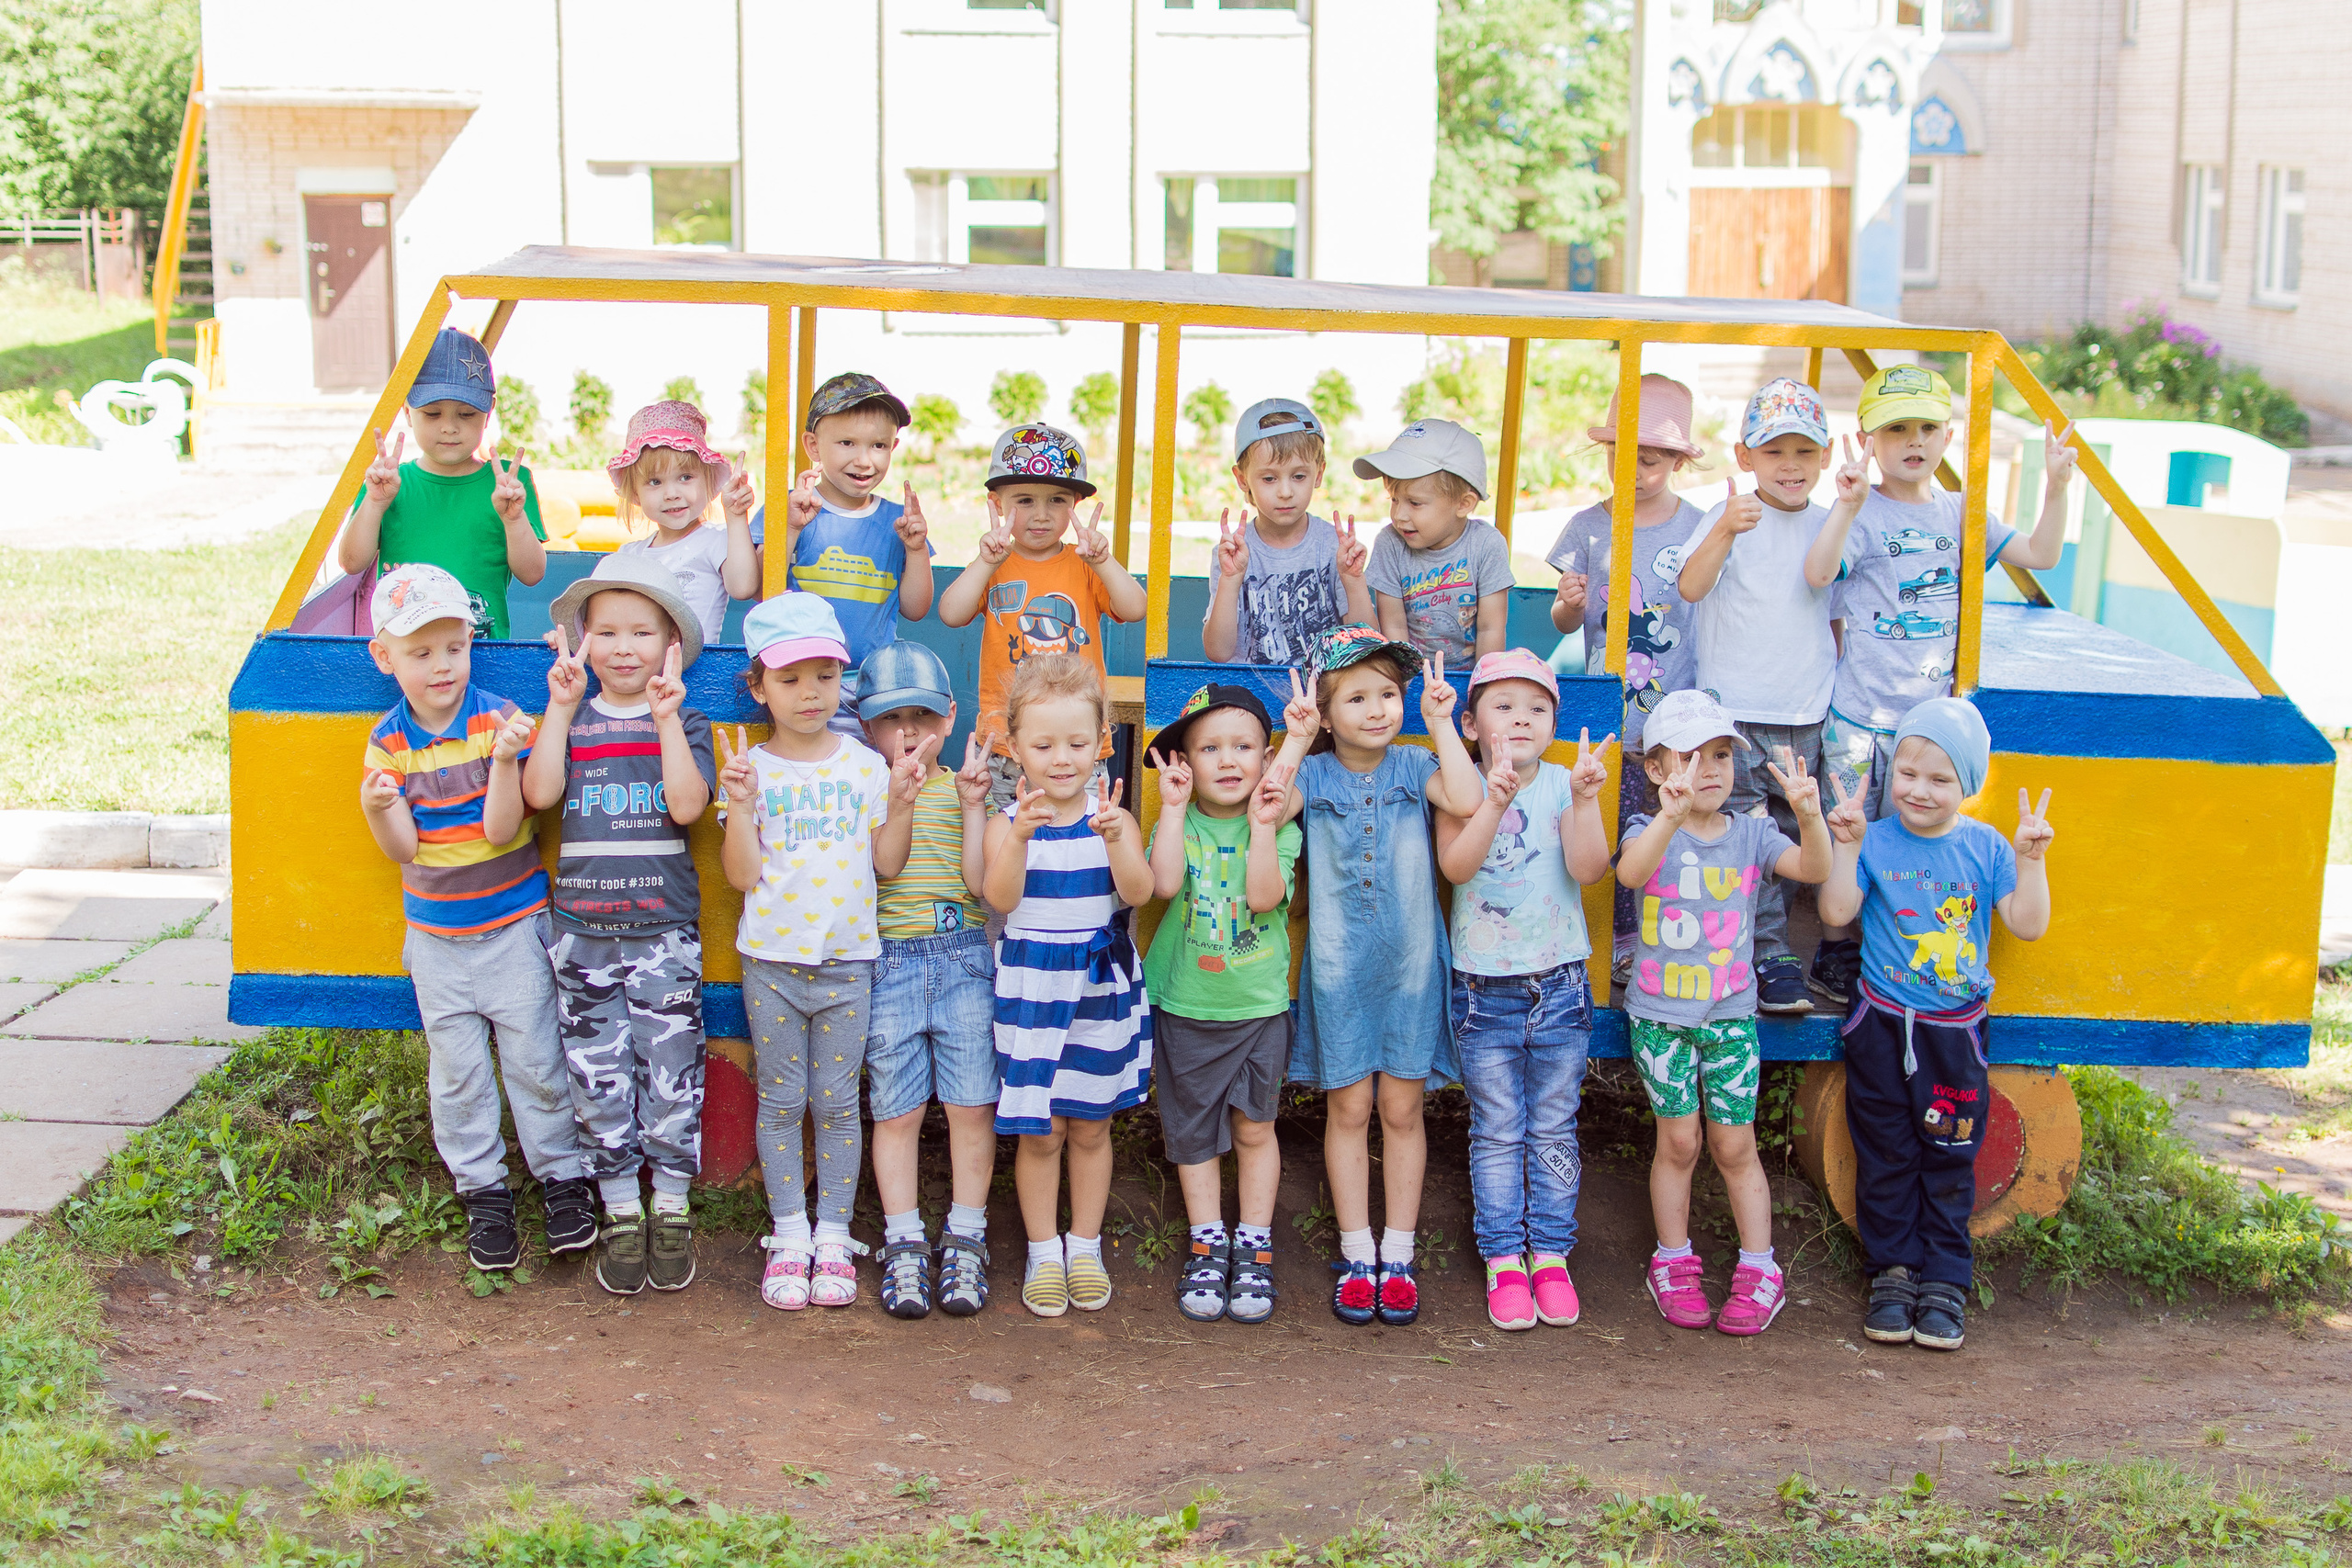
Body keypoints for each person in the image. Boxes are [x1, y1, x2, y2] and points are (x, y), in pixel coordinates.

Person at [1804, 364, 2076, 1007]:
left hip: (1928, 727)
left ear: (1949, 436)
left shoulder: (1963, 513)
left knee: (1915, 844)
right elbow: (1818, 574)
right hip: (1860, 715)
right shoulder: (1860, 511)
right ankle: (1837, 953)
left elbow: (2041, 553)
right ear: (1870, 439)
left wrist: (2058, 487)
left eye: (1927, 427)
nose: (1914, 440)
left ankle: (1904, 956)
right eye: (1897, 428)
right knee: (1850, 830)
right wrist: (1845, 505)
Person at [356, 564, 593, 1272]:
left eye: (453, 648)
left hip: (515, 928)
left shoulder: (497, 719)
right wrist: (378, 809)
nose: (440, 666)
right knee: (456, 1073)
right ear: (385, 657)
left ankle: (562, 1179)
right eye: (420, 652)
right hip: (434, 938)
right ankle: (483, 1190)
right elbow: (403, 848)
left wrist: (503, 762)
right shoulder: (388, 744)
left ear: (471, 643)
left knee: (536, 1060)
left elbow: (499, 829)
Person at [1816, 697, 2054, 1353]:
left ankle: (1946, 1278)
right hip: (1881, 1024)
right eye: (1908, 774)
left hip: (1954, 1035)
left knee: (1950, 1156)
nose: (1919, 790)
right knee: (1886, 1153)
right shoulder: (1877, 839)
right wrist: (1846, 845)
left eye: (1940, 778)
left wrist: (2031, 860)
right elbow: (1838, 907)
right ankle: (1892, 1275)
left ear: (1968, 784)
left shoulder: (1987, 847)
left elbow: (2028, 925)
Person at [1264, 626, 1483, 1327]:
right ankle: (1357, 1253)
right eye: (1356, 697)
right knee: (1350, 1111)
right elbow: (1266, 805)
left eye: (1389, 692)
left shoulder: (1415, 766)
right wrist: (1295, 741)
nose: (1378, 708)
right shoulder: (1318, 776)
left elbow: (1470, 797)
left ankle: (1400, 1252)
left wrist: (1443, 723)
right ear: (1328, 713)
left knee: (1402, 1111)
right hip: (1340, 974)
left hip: (1411, 972)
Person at [521, 554, 717, 1296]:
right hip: (582, 934)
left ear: (671, 644)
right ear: (581, 641)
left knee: (670, 1075)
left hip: (662, 931)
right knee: (597, 1076)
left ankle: (670, 1207)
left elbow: (687, 806)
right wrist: (562, 710)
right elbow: (539, 792)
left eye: (642, 631)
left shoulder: (686, 720)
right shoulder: (571, 718)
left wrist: (666, 718)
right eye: (607, 632)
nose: (624, 647)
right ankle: (620, 1211)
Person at [718, 593, 917, 1312]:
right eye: (791, 678)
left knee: (836, 1103)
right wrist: (739, 806)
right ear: (758, 686)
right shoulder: (750, 769)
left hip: (847, 965)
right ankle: (789, 1235)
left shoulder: (865, 766)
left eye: (825, 676)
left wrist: (900, 800)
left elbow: (888, 863)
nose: (810, 693)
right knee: (780, 1101)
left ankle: (833, 1235)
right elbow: (741, 875)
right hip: (770, 963)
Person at [1613, 689, 1831, 1337]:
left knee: (1736, 1144)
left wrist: (1809, 817)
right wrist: (1669, 818)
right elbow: (1630, 874)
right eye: (1691, 756)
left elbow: (1812, 867)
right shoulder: (1645, 830)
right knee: (1678, 1141)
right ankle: (1673, 1260)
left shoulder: (1754, 833)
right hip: (1659, 1016)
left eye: (1720, 754)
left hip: (1730, 1018)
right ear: (1654, 770)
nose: (1710, 768)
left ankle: (1761, 1268)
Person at [1431, 650, 1613, 1332]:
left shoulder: (1568, 783)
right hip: (1484, 989)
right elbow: (1457, 864)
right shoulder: (1459, 785)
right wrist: (1494, 799)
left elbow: (1589, 868)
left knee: (1553, 1123)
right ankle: (1505, 1256)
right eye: (1504, 706)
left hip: (1561, 983)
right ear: (1473, 723)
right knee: (1499, 1128)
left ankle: (1552, 1256)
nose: (1521, 719)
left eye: (1537, 708)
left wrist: (1589, 801)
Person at [980, 654, 1154, 1318]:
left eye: (1078, 743)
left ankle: (1085, 1244)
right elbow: (998, 897)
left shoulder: (1112, 817)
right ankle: (1042, 1250)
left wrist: (1118, 841)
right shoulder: (1009, 822)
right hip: (1032, 993)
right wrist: (1020, 835)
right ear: (1015, 746)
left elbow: (1138, 893)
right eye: (1044, 744)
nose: (1062, 758)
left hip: (1097, 991)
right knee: (1041, 1131)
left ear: (1102, 742)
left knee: (1089, 1125)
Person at [1676, 378, 1844, 1016]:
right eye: (1775, 452)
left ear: (1824, 458)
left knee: (1804, 833)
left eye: (1805, 452)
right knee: (1747, 834)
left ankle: (1816, 949)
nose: (1791, 466)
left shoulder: (1831, 525)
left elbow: (1834, 612)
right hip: (1737, 714)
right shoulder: (1730, 517)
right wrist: (1723, 530)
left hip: (1809, 713)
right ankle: (1771, 957)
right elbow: (1691, 589)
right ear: (1745, 457)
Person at [1142, 683, 1303, 1324]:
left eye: (1244, 746)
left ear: (1267, 759)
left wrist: (1263, 825)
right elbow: (1162, 884)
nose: (1229, 759)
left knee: (1255, 1127)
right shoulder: (1175, 822)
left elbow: (1264, 897)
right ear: (1183, 761)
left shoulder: (1282, 829)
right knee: (1193, 1134)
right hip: (1187, 1004)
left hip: (1258, 1006)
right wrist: (1174, 810)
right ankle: (1208, 1243)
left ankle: (1254, 1244)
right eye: (1210, 747)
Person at [1544, 375, 1710, 987]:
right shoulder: (1588, 527)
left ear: (1676, 460)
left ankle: (1669, 933)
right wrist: (1567, 600)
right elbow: (1564, 622)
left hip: (1674, 709)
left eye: (1652, 458)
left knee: (1667, 828)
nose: (1635, 469)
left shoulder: (1696, 526)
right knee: (1612, 827)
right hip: (1607, 708)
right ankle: (1617, 939)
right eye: (1623, 455)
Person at [855, 640, 1002, 1320]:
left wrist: (973, 805)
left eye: (919, 716)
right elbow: (885, 868)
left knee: (972, 1105)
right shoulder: (867, 788)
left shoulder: (970, 783)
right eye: (889, 719)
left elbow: (984, 888)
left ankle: (967, 1235)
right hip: (890, 962)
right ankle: (905, 1239)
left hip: (966, 957)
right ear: (866, 725)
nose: (906, 733)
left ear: (949, 716)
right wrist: (899, 800)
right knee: (898, 1109)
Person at [938, 423, 1147, 810]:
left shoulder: (1084, 563)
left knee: (1079, 845)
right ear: (997, 502)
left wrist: (1103, 561)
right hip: (1007, 746)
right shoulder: (994, 563)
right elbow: (951, 614)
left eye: (1056, 500)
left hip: (1078, 748)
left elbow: (1135, 608)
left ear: (1075, 505)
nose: (1041, 515)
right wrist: (985, 562)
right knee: (1007, 847)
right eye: (1024, 500)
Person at [756, 372, 937, 733]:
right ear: (813, 446)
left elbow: (916, 608)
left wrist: (915, 550)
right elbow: (765, 590)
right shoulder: (793, 509)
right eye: (847, 443)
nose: (864, 460)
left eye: (878, 446)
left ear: (893, 447)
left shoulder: (894, 521)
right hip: (804, 683)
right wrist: (791, 529)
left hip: (875, 687)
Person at [340, 328, 547, 640]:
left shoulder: (508, 485)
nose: (449, 427)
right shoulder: (389, 482)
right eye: (433, 413)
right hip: (406, 657)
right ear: (409, 413)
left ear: (487, 415)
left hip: (483, 653)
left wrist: (514, 518)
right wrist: (376, 502)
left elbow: (532, 574)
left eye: (466, 414)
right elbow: (352, 562)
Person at [1201, 398, 1374, 665]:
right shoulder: (1232, 555)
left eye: (1299, 476)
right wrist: (1231, 580)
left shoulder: (1331, 547)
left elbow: (1366, 644)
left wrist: (1353, 580)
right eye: (1269, 478)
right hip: (1252, 697)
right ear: (1242, 479)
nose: (1285, 492)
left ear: (1319, 474)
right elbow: (1218, 652)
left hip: (1324, 696)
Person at [1357, 419, 1513, 671]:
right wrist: (1407, 685)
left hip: (1471, 676)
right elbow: (1394, 627)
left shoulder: (1486, 544)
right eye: (1394, 499)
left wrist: (1481, 688)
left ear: (1464, 504)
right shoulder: (1390, 544)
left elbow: (1491, 628)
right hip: (1412, 675)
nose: (1399, 515)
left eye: (1415, 503)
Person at [608, 400, 762, 647]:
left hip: (694, 678)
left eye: (685, 477)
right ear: (635, 493)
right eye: (655, 482)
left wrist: (735, 517)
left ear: (708, 481)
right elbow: (604, 621)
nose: (672, 493)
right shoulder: (628, 556)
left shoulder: (715, 540)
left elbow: (743, 587)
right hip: (639, 679)